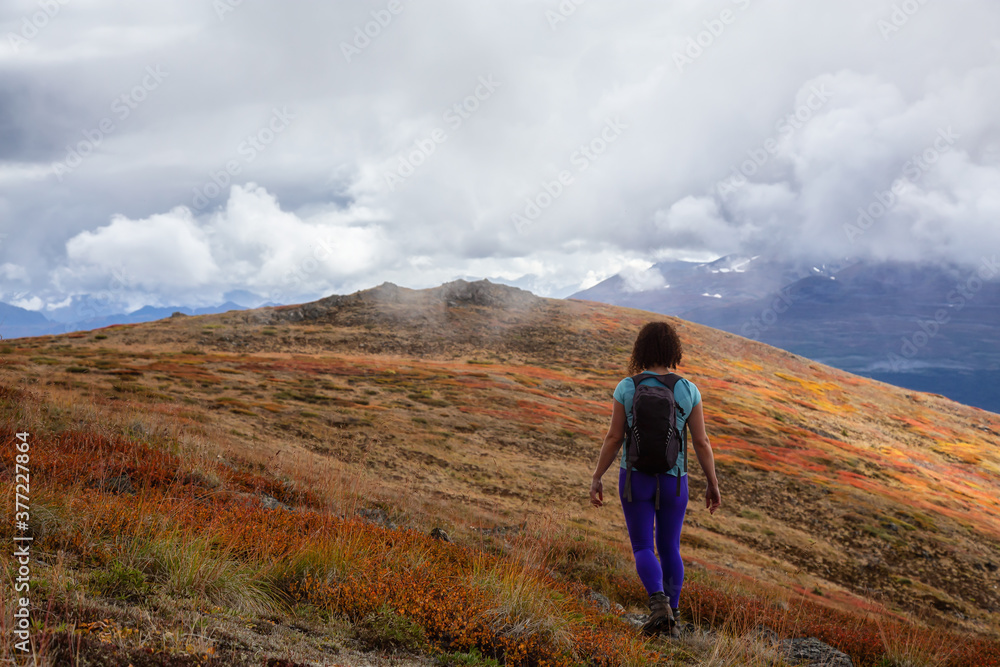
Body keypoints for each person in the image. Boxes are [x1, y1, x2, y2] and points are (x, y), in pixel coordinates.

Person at [589, 321, 721, 637]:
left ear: (641, 350)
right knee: (670, 547)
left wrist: (597, 476)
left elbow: (613, 437)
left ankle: (658, 606)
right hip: (675, 481)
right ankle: (671, 619)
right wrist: (712, 483)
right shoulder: (688, 390)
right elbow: (701, 442)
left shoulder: (627, 387)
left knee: (642, 546)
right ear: (673, 350)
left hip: (635, 479)